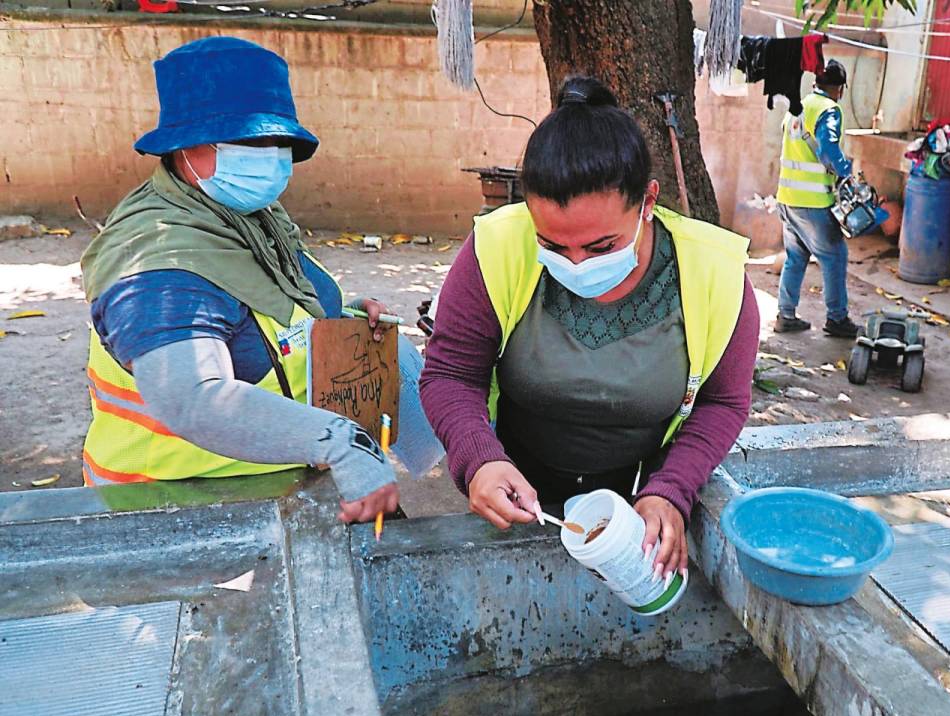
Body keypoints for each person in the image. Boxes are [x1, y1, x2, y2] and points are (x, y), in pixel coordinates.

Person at [419, 77, 759, 583]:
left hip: (631, 496)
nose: (577, 264)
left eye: (600, 247)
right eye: (553, 246)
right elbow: (450, 373)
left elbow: (723, 403)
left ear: (648, 202)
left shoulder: (715, 275)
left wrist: (671, 490)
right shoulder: (498, 246)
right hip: (513, 483)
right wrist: (479, 458)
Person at [80, 36, 400, 523]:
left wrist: (342, 319)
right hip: (168, 513)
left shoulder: (247, 215)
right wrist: (343, 444)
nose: (269, 157)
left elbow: (266, 313)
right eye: (249, 142)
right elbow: (195, 399)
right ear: (185, 146)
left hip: (267, 493)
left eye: (279, 142)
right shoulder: (157, 267)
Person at [773, 59, 858, 338]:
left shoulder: (797, 107)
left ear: (815, 82)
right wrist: (846, 170)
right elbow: (828, 151)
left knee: (796, 257)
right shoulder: (829, 110)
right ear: (840, 89)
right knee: (835, 256)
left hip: (787, 198)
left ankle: (786, 315)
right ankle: (837, 318)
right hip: (812, 202)